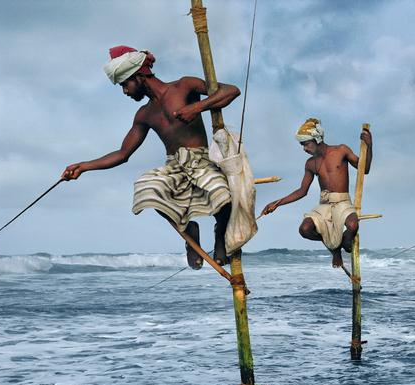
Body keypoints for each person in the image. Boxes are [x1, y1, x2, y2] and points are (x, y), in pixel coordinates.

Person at [62, 46, 241, 269]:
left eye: (125, 84)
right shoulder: (144, 114)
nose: (125, 92)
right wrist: (84, 166)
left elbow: (231, 91)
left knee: (222, 195)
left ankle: (220, 234)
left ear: (138, 76)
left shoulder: (184, 86)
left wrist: (197, 108)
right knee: (146, 188)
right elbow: (123, 154)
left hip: (201, 161)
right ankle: (189, 231)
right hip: (174, 166)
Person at [261, 118, 373, 268]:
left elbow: (364, 169)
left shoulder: (341, 150)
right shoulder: (310, 164)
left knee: (352, 227)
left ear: (317, 138)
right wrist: (276, 203)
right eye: (302, 145)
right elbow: (302, 191)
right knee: (304, 229)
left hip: (342, 202)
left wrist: (369, 146)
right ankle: (334, 249)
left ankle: (342, 244)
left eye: (306, 144)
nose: (304, 149)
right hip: (324, 204)